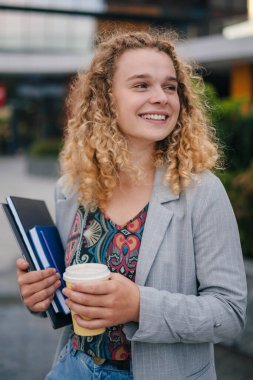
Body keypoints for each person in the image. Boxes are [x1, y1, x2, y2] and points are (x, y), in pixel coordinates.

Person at [16, 29, 247, 380]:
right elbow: (68, 299)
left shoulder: (203, 192)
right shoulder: (73, 189)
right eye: (142, 85)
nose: (161, 98)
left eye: (170, 87)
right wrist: (41, 296)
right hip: (72, 368)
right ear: (106, 100)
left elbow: (230, 313)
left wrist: (140, 305)